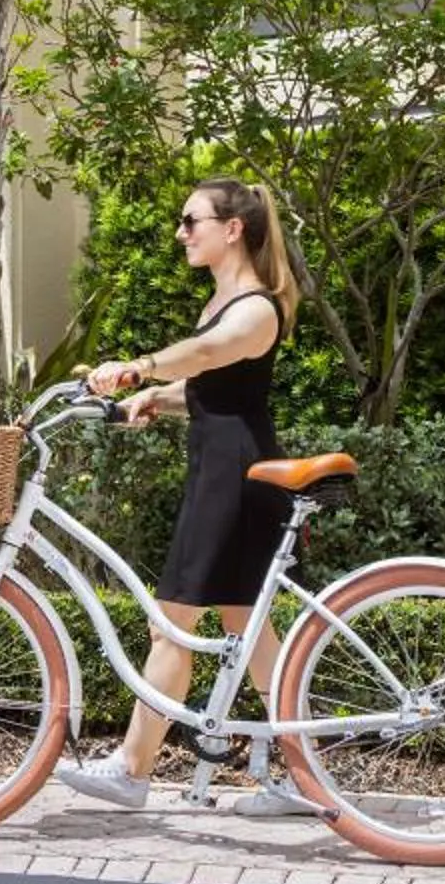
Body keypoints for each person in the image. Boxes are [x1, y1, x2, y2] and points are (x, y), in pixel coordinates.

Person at [52, 178, 322, 818]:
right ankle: (310, 779)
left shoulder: (255, 306)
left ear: (233, 228)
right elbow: (219, 391)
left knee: (172, 622)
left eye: (190, 220)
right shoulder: (224, 299)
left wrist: (141, 367)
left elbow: (206, 355)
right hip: (230, 466)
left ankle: (132, 770)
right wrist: (154, 398)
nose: (181, 232)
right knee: (248, 630)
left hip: (233, 477)